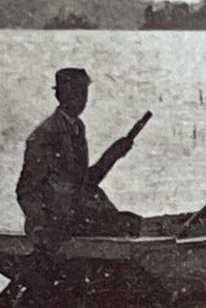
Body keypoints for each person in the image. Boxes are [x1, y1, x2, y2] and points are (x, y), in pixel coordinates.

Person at [16, 67, 143, 247]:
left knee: (132, 222)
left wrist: (112, 155)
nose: (80, 99)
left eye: (83, 92)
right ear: (59, 96)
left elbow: (83, 182)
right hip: (59, 222)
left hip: (79, 214)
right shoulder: (45, 135)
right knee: (127, 227)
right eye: (73, 93)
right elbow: (27, 189)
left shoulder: (77, 127)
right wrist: (38, 226)